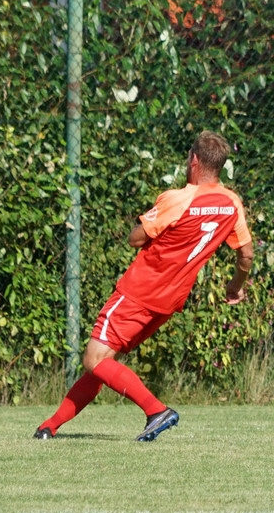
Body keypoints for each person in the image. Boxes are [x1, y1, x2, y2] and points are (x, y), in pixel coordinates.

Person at [35, 130, 253, 442]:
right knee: (102, 363)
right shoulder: (231, 203)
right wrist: (235, 286)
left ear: (193, 160)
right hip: (170, 300)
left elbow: (135, 238)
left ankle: (156, 410)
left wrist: (150, 223)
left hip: (139, 291)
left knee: (94, 359)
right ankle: (49, 426)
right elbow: (246, 255)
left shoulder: (178, 198)